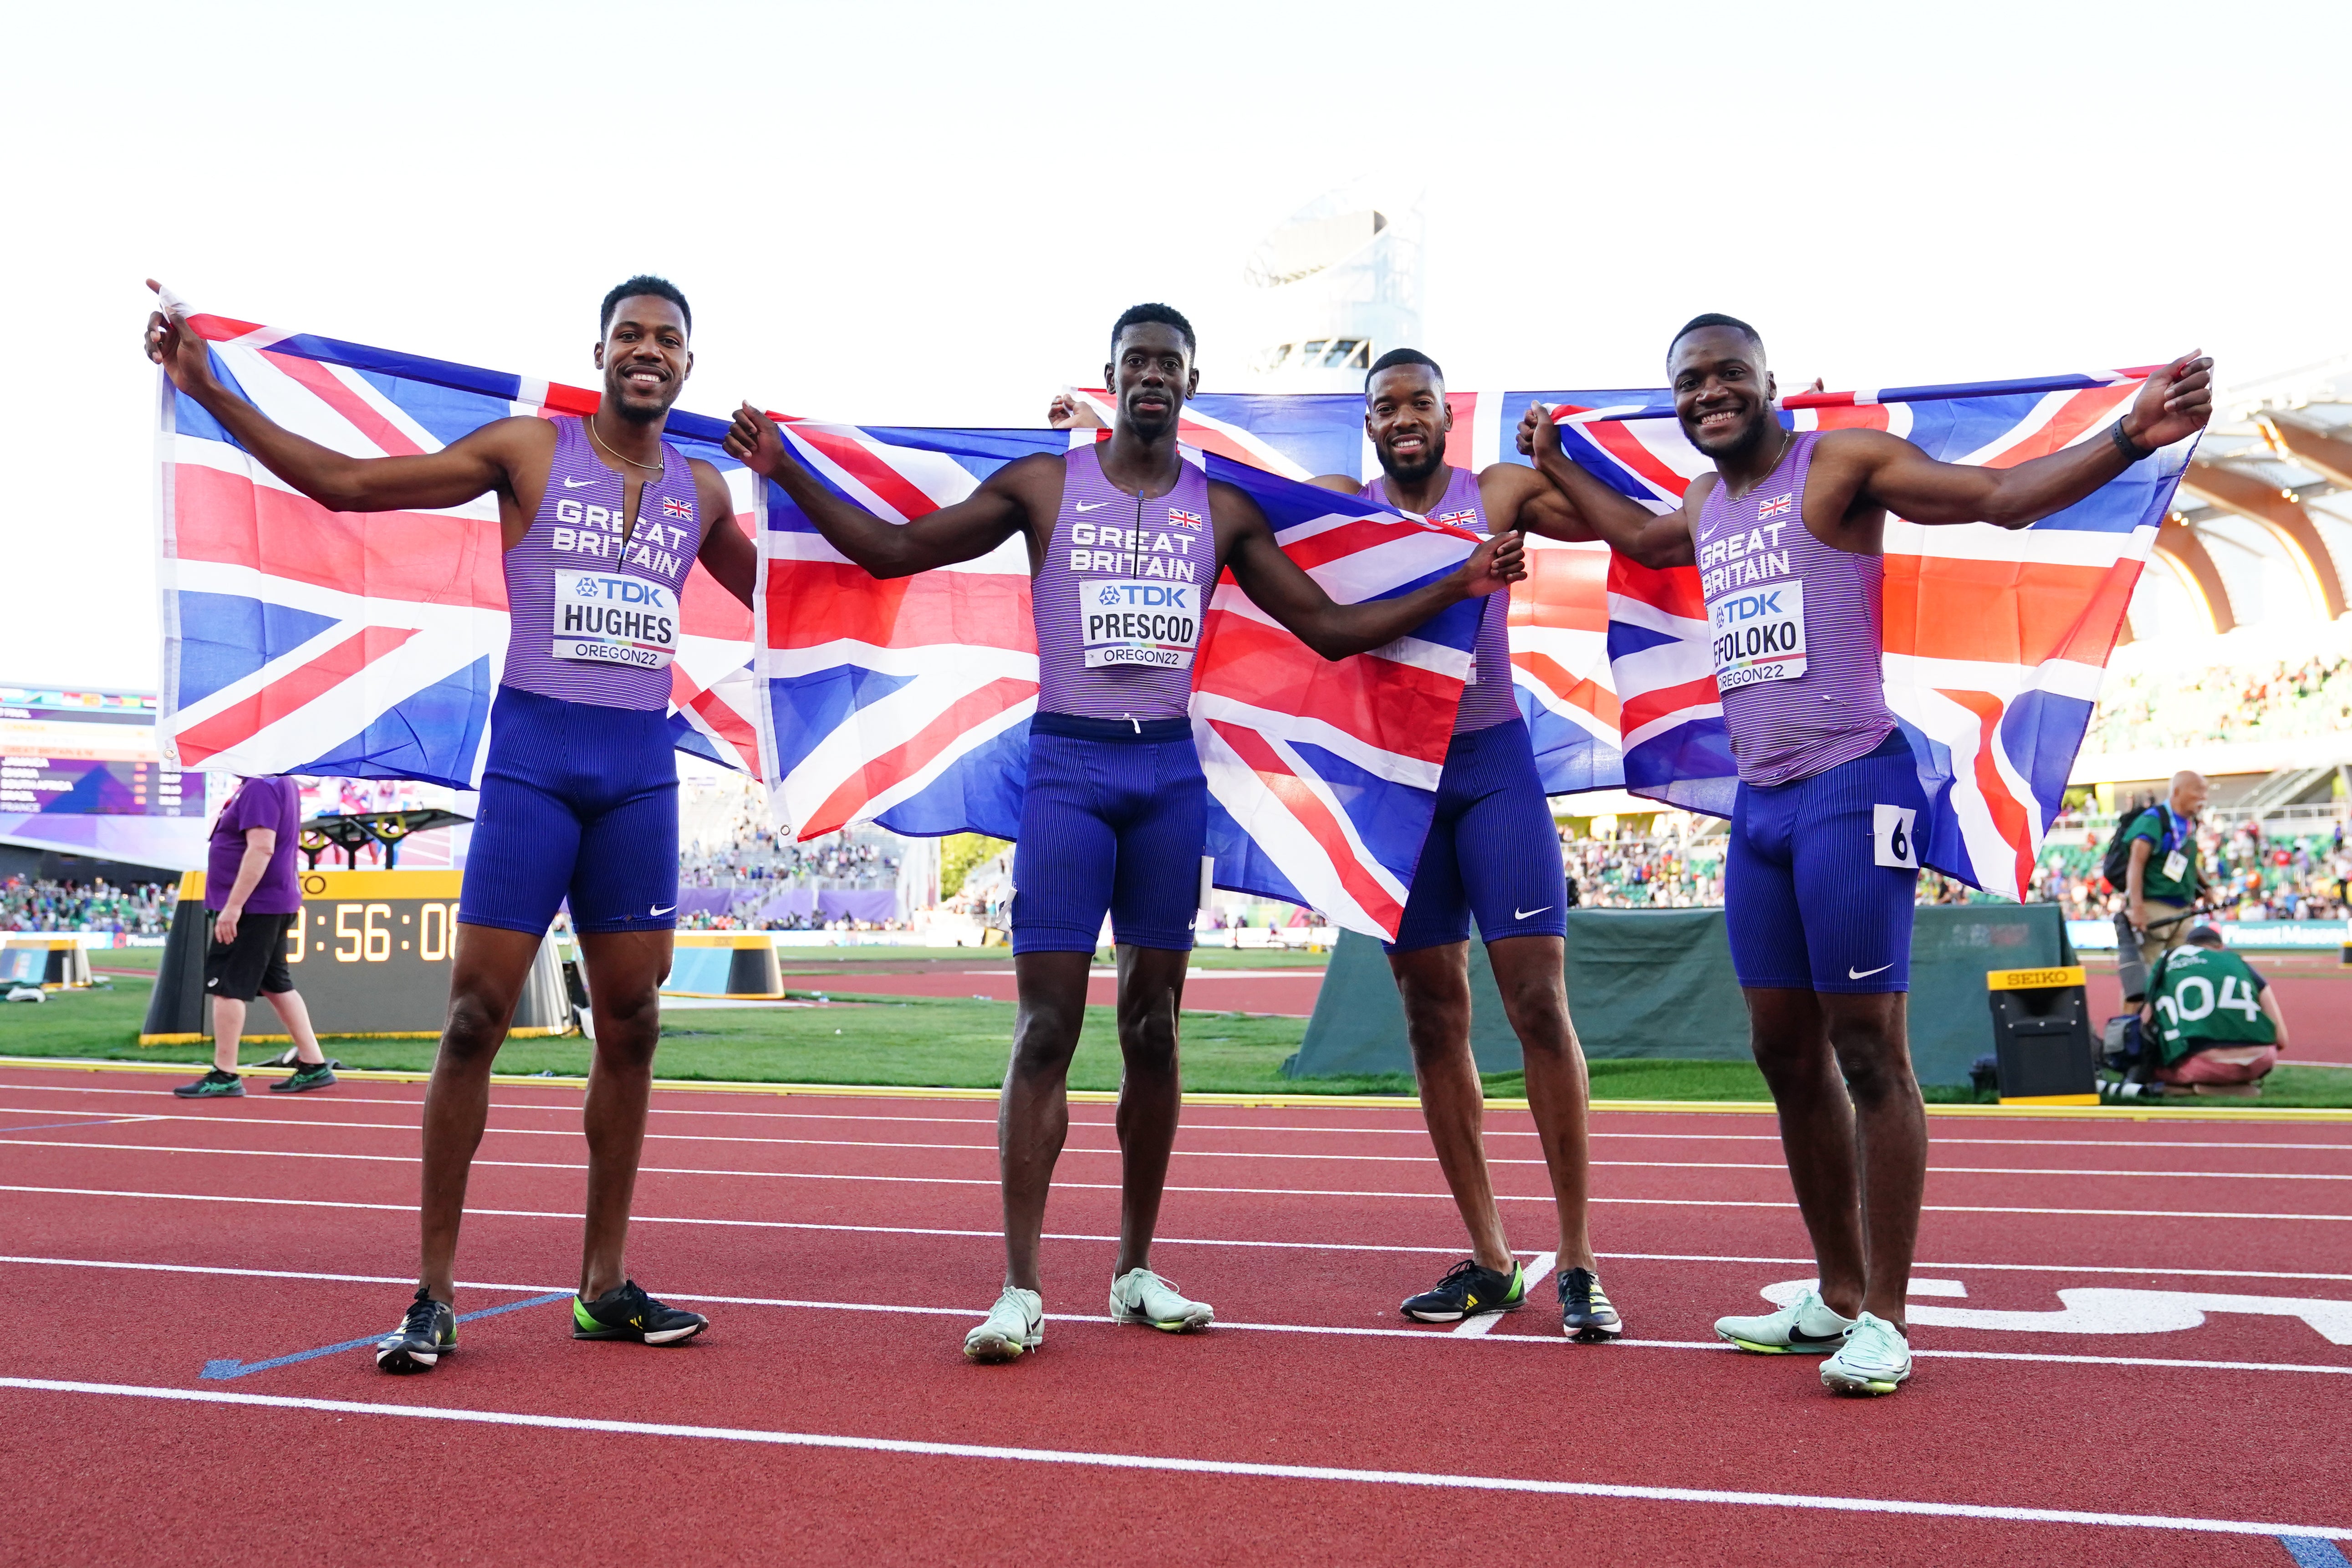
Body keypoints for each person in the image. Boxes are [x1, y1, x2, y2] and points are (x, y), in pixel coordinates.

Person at [726, 304, 1524, 1363]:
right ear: (1112, 377)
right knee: (1045, 1029)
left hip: (1163, 779)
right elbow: (891, 550)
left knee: (1153, 1029)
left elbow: (1327, 630)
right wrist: (788, 469)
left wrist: (1453, 580)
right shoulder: (1043, 485)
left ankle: (1133, 1265)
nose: (1152, 375)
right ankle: (1018, 1283)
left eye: (1169, 363)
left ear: (1188, 383)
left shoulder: (1221, 508)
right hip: (1067, 768)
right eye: (1135, 361)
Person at [1523, 314, 2212, 1395]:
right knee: (1780, 1051)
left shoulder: (1835, 463)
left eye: (1726, 375)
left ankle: (1886, 1317)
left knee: (1867, 1052)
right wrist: (1557, 464)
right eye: (1688, 383)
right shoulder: (1704, 504)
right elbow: (1641, 537)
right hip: (1759, 807)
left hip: (1852, 785)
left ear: (1768, 383)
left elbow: (1991, 499)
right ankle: (1834, 1291)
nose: (1708, 393)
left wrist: (2128, 436)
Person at [147, 275, 758, 1372]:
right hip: (533, 766)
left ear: (687, 365)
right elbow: (346, 483)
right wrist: (212, 388)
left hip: (636, 778)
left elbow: (794, 602)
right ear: (602, 349)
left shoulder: (704, 492)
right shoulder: (529, 451)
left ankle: (601, 1282)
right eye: (631, 334)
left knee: (632, 1018)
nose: (648, 351)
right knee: (474, 1016)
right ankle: (431, 1294)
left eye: (668, 339)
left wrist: (797, 477)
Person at [1300, 349, 1620, 1340]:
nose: (1403, 417)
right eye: (1385, 405)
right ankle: (1489, 1254)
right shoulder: (1334, 505)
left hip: (1489, 766)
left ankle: (1576, 1260)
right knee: (1430, 1012)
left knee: (1535, 1000)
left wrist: (1556, 454)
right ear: (1367, 424)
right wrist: (1094, 429)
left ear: (1448, 416)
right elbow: (1203, 498)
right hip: (1396, 783)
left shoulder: (1495, 493)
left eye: (1420, 403)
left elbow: (1619, 518)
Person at [173, 774, 334, 1098]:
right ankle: (314, 1063)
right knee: (276, 983)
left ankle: (225, 1073)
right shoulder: (277, 783)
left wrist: (233, 907)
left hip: (254, 905)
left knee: (227, 986)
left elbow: (261, 848)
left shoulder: (262, 786)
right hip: (271, 901)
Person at [2144, 925, 2288, 1096]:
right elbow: (2282, 1039)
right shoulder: (2239, 963)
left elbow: (2145, 1021)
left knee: (2151, 1066)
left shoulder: (2169, 962)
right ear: (2221, 947)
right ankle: (2236, 1086)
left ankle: (2195, 1089)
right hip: (2260, 1061)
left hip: (2201, 1063)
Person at [2125, 771, 2209, 974]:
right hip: (2154, 908)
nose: (2203, 797)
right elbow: (2136, 864)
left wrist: (2207, 887)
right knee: (2145, 974)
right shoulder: (2154, 820)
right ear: (2178, 792)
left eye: (2205, 792)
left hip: (2184, 909)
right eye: (2198, 791)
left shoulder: (2190, 823)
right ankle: (2132, 1009)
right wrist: (2137, 908)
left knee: (2182, 972)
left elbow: (2187, 859)